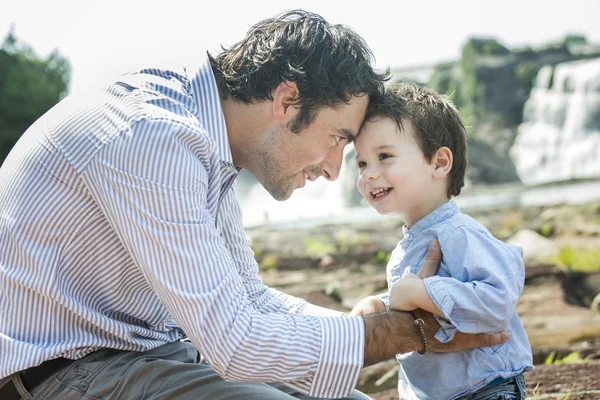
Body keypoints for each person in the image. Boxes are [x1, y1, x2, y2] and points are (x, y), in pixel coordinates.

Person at [0, 10, 509, 400]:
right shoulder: (152, 138)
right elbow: (236, 343)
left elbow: (251, 300)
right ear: (287, 101)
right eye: (337, 138)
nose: (335, 169)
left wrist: (357, 324)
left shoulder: (203, 141)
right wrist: (406, 332)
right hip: (60, 373)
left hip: (141, 354)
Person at [351, 82, 534, 400]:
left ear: (439, 163)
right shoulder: (410, 243)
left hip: (484, 388)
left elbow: (498, 299)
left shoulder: (458, 232)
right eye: (362, 163)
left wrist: (422, 291)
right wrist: (383, 302)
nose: (368, 174)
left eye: (384, 156)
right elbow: (420, 296)